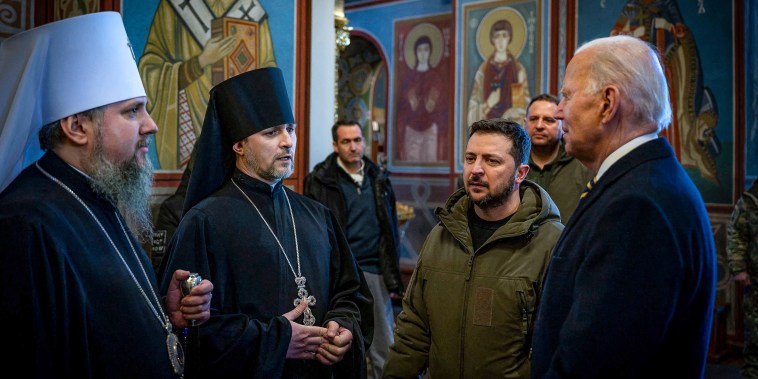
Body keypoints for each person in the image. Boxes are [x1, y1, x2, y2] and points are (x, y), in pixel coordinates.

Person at [0, 12, 213, 378]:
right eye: (132, 111)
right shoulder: (24, 224)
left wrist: (165, 316)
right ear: (77, 126)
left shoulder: (99, 193)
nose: (151, 124)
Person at [157, 67, 373, 378]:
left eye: (290, 128)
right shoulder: (204, 222)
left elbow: (351, 293)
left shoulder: (317, 215)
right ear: (239, 145)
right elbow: (190, 330)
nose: (288, 141)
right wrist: (276, 341)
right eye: (271, 132)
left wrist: (343, 326)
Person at [530, 35, 717, 377]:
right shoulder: (644, 181)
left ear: (607, 103)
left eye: (567, 96)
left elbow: (595, 364)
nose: (558, 111)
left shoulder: (637, 205)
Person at [383, 119, 564, 378]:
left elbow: (556, 346)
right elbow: (414, 329)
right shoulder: (441, 236)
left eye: (492, 161)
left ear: (521, 174)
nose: (476, 170)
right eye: (470, 158)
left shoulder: (550, 243)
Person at [303, 120, 404, 379]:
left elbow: (390, 229)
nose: (354, 147)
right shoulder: (320, 180)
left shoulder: (378, 178)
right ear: (336, 146)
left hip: (374, 269)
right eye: (346, 141)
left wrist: (392, 274)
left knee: (384, 348)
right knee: (339, 346)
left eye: (357, 140)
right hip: (341, 276)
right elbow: (314, 234)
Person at [139, 0, 277, 169]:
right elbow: (151, 72)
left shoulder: (251, 9)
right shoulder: (174, 6)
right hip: (189, 113)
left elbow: (269, 78)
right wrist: (200, 61)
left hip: (241, 121)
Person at [523, 93, 594, 222]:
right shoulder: (513, 165)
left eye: (548, 120)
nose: (539, 126)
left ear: (563, 124)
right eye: (533, 119)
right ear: (525, 123)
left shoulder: (583, 165)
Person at [467, 18, 530, 125]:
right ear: (492, 39)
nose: (501, 41)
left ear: (509, 38)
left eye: (504, 35)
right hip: (488, 131)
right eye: (497, 36)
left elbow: (523, 107)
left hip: (510, 130)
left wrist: (512, 112)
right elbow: (471, 115)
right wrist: (488, 104)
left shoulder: (517, 70)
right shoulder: (483, 70)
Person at [396, 32, 446, 162]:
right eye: (420, 50)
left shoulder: (435, 77)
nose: (423, 53)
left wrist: (432, 105)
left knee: (431, 159)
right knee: (411, 159)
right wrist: (411, 104)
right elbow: (401, 107)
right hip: (411, 129)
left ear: (430, 52)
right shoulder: (408, 79)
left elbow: (442, 108)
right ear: (415, 53)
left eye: (426, 49)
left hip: (430, 129)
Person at [727, 178, 758, 378]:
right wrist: (739, 268)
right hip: (756, 285)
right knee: (755, 344)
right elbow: (735, 232)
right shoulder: (750, 200)